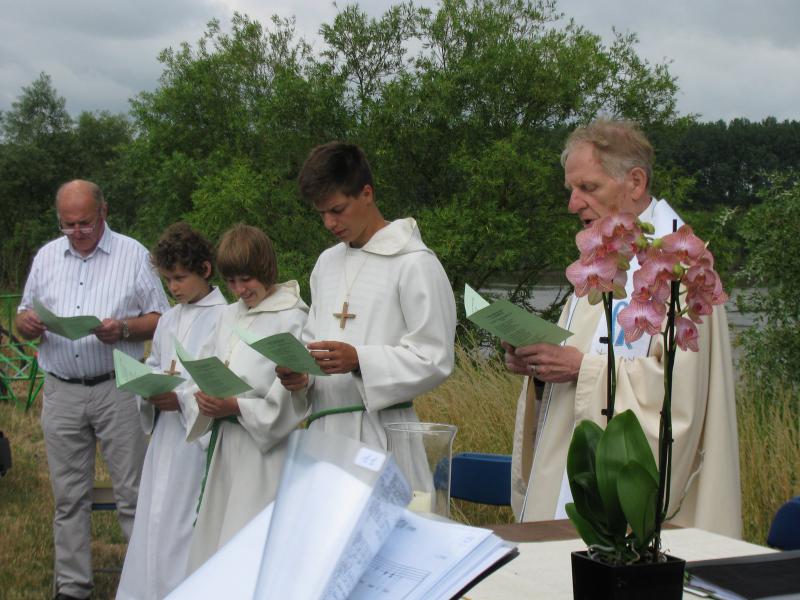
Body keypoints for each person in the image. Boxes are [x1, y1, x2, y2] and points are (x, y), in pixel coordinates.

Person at [505, 119, 741, 538]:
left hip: (641, 509)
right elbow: (575, 362)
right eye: (571, 190)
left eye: (588, 188)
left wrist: (583, 369)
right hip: (572, 476)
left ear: (635, 182)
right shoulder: (604, 258)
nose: (573, 204)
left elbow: (681, 405)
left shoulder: (682, 265)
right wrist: (540, 366)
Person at [15, 180, 170, 600]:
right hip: (61, 389)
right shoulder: (48, 256)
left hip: (117, 386)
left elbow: (163, 317)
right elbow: (22, 315)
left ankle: (143, 585)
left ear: (103, 213)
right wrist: (26, 323)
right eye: (68, 224)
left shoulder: (133, 254)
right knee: (68, 497)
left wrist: (123, 328)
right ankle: (73, 587)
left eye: (84, 222)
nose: (77, 231)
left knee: (133, 493)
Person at [278, 142, 457, 455]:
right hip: (324, 436)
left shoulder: (414, 262)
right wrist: (301, 375)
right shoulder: (326, 264)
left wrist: (360, 360)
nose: (329, 224)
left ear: (367, 194)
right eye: (321, 214)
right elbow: (312, 344)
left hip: (384, 434)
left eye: (337, 210)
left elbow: (435, 358)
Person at [184, 224, 309, 573]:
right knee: (216, 539)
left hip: (263, 454)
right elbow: (212, 362)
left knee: (248, 541)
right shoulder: (228, 314)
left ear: (265, 270)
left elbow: (292, 393)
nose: (239, 290)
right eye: (232, 282)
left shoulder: (292, 317)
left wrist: (236, 405)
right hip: (226, 444)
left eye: (246, 280)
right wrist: (207, 394)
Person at [117, 223, 227, 600]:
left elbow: (220, 378)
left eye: (180, 278)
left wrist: (179, 397)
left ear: (205, 270)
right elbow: (157, 363)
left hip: (195, 440)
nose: (174, 288)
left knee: (183, 526)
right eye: (167, 281)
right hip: (164, 438)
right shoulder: (168, 319)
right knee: (155, 522)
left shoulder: (225, 318)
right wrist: (146, 386)